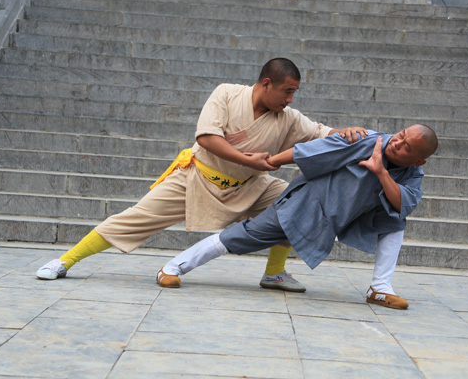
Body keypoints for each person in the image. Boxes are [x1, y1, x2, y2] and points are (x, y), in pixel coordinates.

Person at [36, 57, 367, 292]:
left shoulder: (290, 118)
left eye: (294, 93)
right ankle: (65, 261)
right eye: (287, 91)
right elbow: (207, 138)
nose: (290, 98)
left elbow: (321, 132)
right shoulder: (226, 94)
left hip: (251, 185)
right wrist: (249, 160)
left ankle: (275, 273)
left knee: (291, 202)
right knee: (135, 217)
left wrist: (345, 132)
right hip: (197, 177)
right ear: (267, 84)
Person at [156, 124, 438, 309]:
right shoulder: (366, 140)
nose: (397, 143)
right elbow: (312, 150)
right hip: (305, 207)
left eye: (406, 147)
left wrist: (380, 172)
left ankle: (379, 289)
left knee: (395, 221)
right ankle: (173, 267)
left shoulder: (413, 172)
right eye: (400, 136)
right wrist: (271, 161)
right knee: (244, 236)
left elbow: (404, 203)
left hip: (348, 217)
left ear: (418, 160)